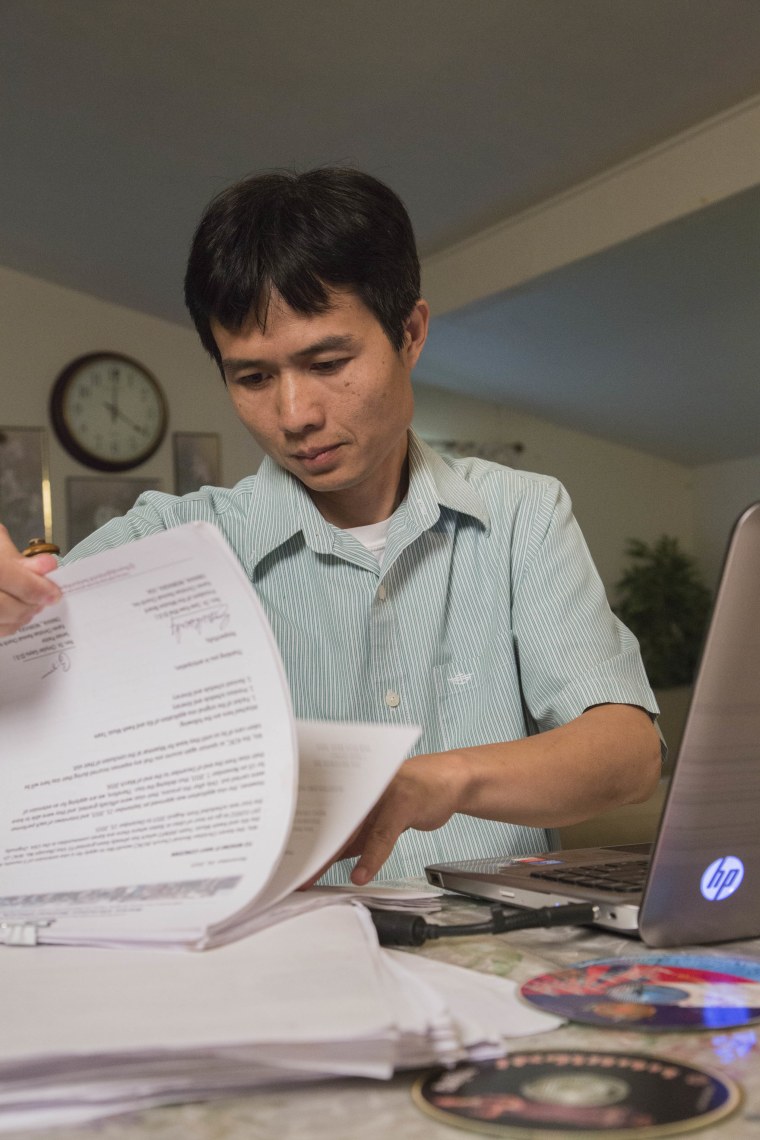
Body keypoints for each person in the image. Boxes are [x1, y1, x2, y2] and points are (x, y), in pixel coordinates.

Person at [0, 167, 661, 885]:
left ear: (409, 332)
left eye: (327, 362)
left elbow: (629, 756)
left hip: (491, 955)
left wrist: (435, 781)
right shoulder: (169, 543)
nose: (294, 415)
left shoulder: (521, 516)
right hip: (270, 966)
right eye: (252, 378)